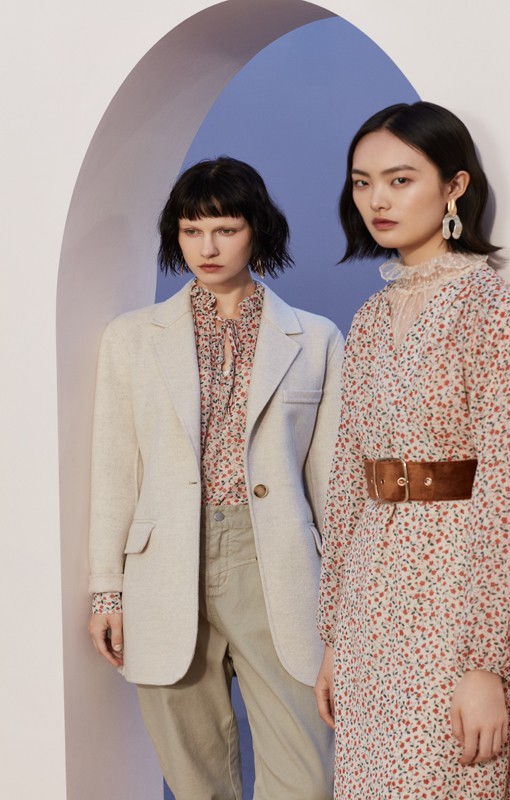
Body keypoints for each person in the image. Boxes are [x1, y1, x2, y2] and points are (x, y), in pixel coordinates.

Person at [315, 102, 510, 799]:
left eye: (400, 180)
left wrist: (487, 664)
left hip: (455, 599)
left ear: (454, 187)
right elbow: (347, 482)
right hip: (371, 602)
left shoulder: (495, 312)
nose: (377, 201)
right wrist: (334, 638)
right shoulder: (368, 318)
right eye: (362, 183)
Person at [88, 157, 342, 800]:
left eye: (225, 229)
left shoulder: (315, 339)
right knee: (194, 778)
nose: (207, 247)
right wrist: (105, 592)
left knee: (308, 779)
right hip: (164, 567)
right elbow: (115, 470)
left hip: (276, 562)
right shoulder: (131, 339)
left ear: (257, 230)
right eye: (191, 230)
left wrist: (344, 604)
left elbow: (332, 487)